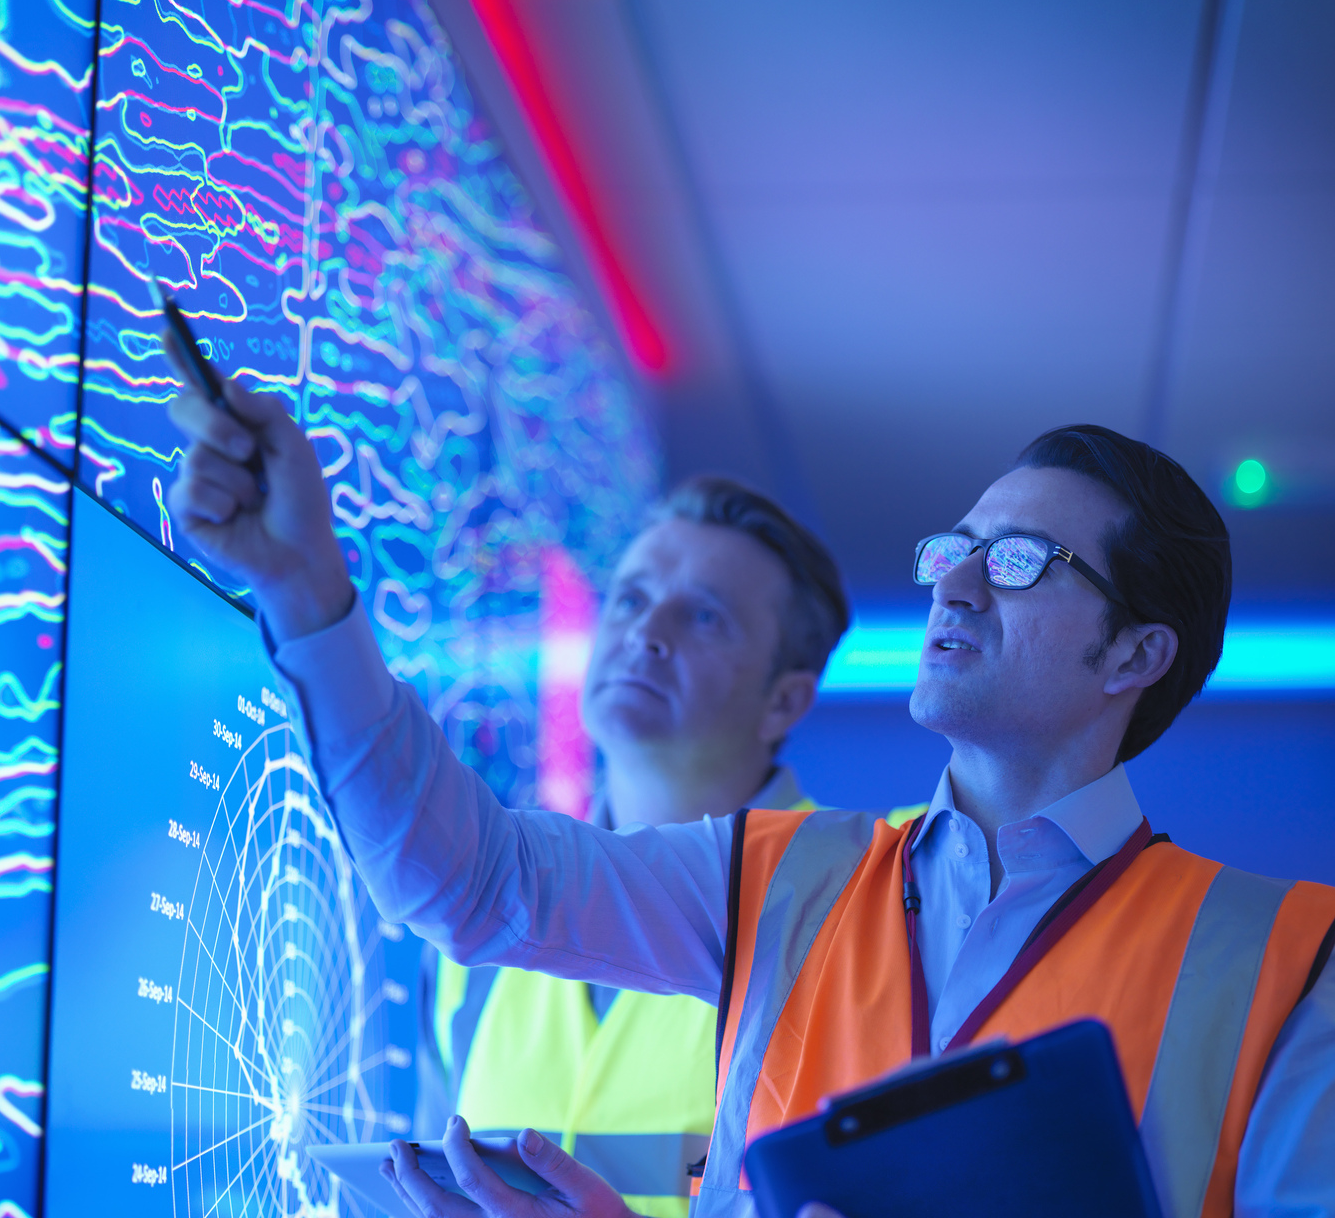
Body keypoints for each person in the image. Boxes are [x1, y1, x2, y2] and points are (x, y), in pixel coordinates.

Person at [167, 383, 1335, 1218]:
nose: (959, 585)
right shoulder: (782, 875)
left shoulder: (1290, 958)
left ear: (1134, 654)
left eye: (1024, 560)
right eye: (958, 548)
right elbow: (478, 884)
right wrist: (306, 584)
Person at [414, 475, 913, 1218]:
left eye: (705, 618)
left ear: (784, 701)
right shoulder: (471, 939)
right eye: (631, 598)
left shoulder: (870, 903)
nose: (647, 632)